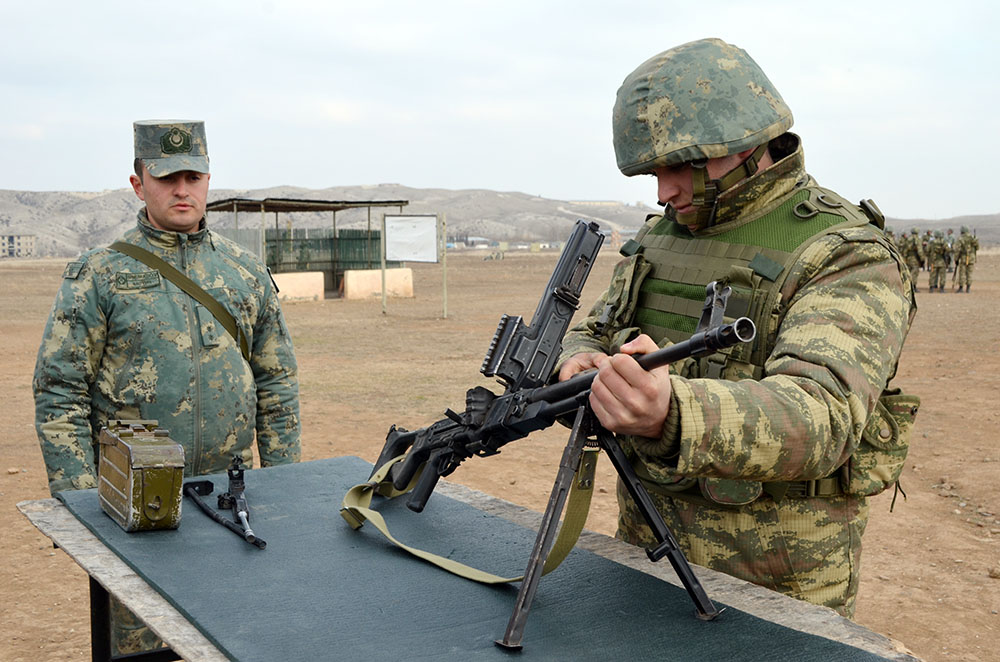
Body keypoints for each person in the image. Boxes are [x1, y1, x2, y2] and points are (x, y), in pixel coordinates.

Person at [556, 38, 917, 618]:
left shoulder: (844, 252)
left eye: (680, 166)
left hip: (779, 583)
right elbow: (596, 329)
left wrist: (672, 411)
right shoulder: (660, 237)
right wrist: (578, 360)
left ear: (746, 145)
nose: (662, 191)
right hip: (648, 556)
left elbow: (821, 414)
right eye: (653, 170)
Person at [33, 120, 301, 653]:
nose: (182, 189)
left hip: (232, 503)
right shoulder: (100, 274)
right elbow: (60, 391)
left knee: (238, 636)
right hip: (134, 507)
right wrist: (83, 503)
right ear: (139, 184)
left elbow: (277, 384)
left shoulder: (245, 272)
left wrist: (286, 486)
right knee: (144, 643)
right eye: (166, 177)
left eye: (193, 176)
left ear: (208, 182)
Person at [952, 225, 979, 292]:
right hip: (971, 258)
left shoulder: (960, 238)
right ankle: (968, 288)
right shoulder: (973, 238)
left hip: (963, 258)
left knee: (962, 273)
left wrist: (956, 259)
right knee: (969, 273)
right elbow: (977, 248)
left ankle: (961, 288)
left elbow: (957, 250)